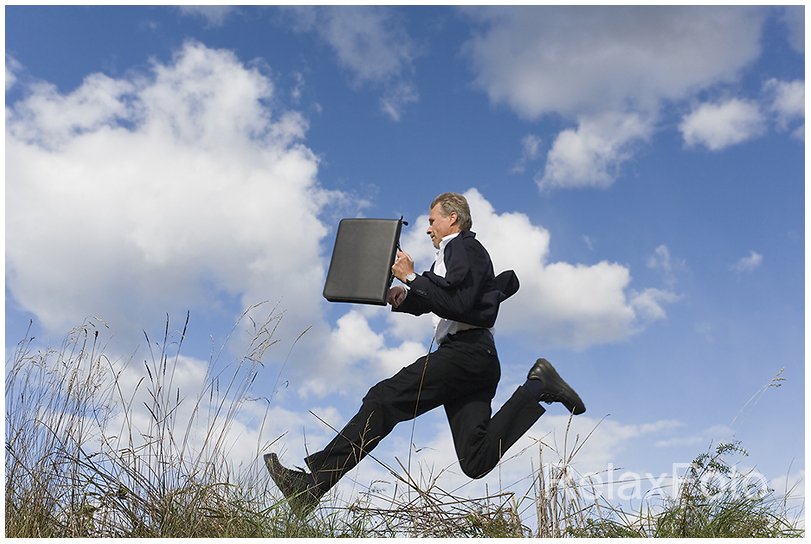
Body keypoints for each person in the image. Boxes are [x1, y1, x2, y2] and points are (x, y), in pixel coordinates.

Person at [265, 192, 585, 516]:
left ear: (452, 219)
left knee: (383, 399)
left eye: (432, 221)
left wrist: (412, 278)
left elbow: (457, 305)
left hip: (466, 354)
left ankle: (311, 486)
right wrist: (406, 297)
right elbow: (447, 301)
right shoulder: (452, 255)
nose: (428, 228)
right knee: (475, 461)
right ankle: (537, 386)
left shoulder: (463, 247)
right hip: (478, 361)